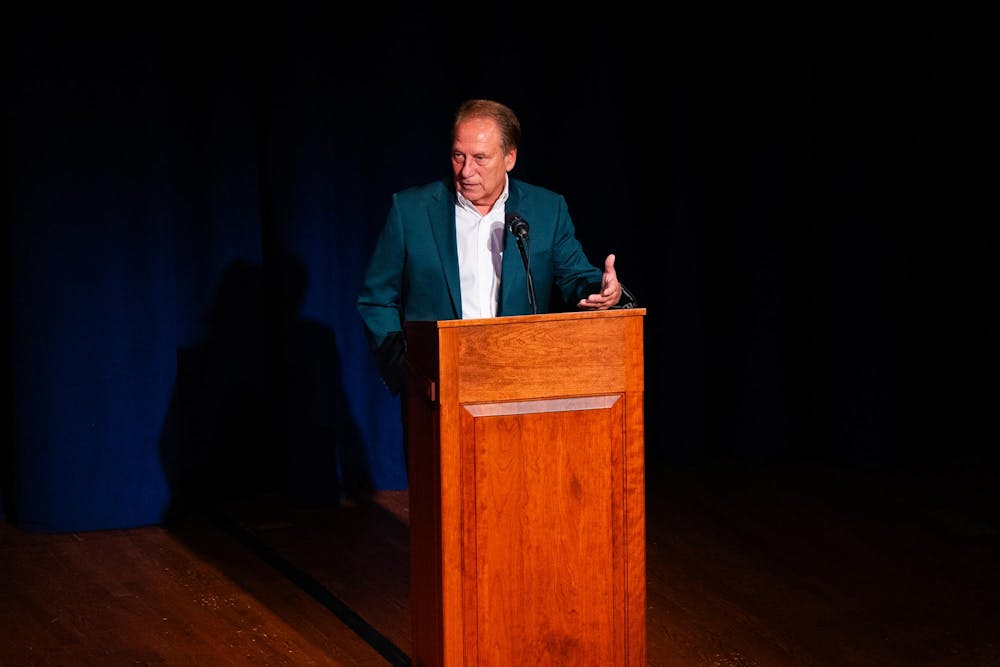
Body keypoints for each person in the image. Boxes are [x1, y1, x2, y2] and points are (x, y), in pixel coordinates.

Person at [357, 98, 635, 394]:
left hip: (520, 382)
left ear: (509, 158)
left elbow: (575, 278)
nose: (466, 171)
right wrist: (406, 372)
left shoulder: (545, 210)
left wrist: (605, 292)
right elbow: (377, 299)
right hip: (438, 390)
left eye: (480, 158)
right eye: (458, 156)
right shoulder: (411, 211)